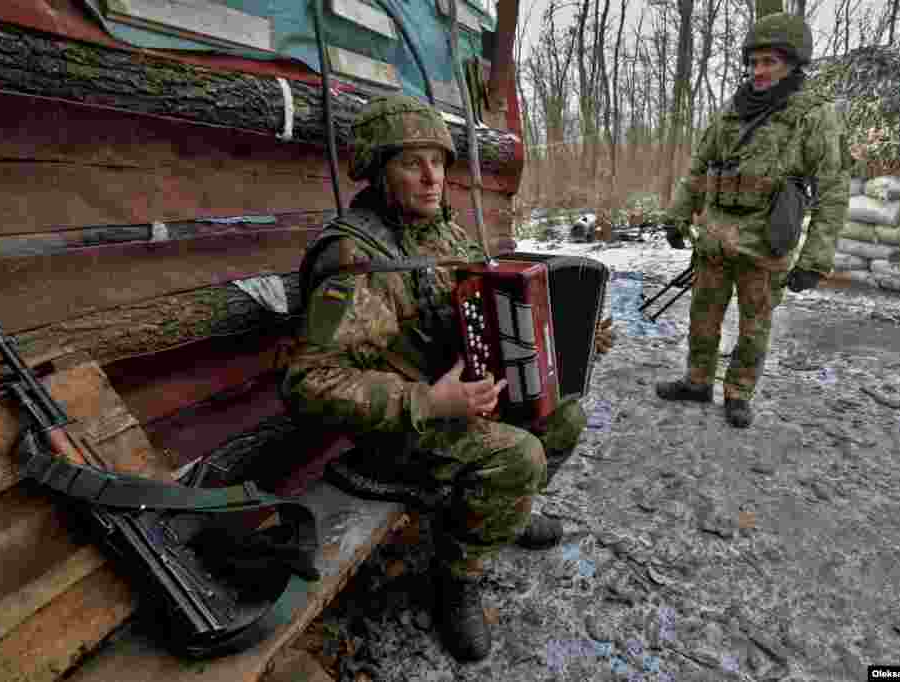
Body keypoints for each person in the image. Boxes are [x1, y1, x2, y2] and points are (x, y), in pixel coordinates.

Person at [281, 95, 614, 662]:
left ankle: (504, 517)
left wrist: (567, 338)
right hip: (398, 430)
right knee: (518, 456)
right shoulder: (357, 260)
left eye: (439, 160)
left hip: (457, 395)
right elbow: (308, 384)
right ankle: (457, 576)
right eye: (413, 163)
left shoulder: (446, 235)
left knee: (565, 416)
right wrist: (427, 400)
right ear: (380, 169)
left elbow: (484, 311)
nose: (434, 177)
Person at [657, 12, 848, 428]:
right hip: (716, 237)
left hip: (765, 242)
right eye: (754, 62)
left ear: (793, 63)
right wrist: (677, 215)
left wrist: (815, 259)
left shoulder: (813, 115)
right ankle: (697, 380)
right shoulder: (734, 110)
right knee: (702, 315)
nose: (758, 71)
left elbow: (832, 191)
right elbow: (700, 167)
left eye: (770, 63)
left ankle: (739, 393)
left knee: (754, 325)